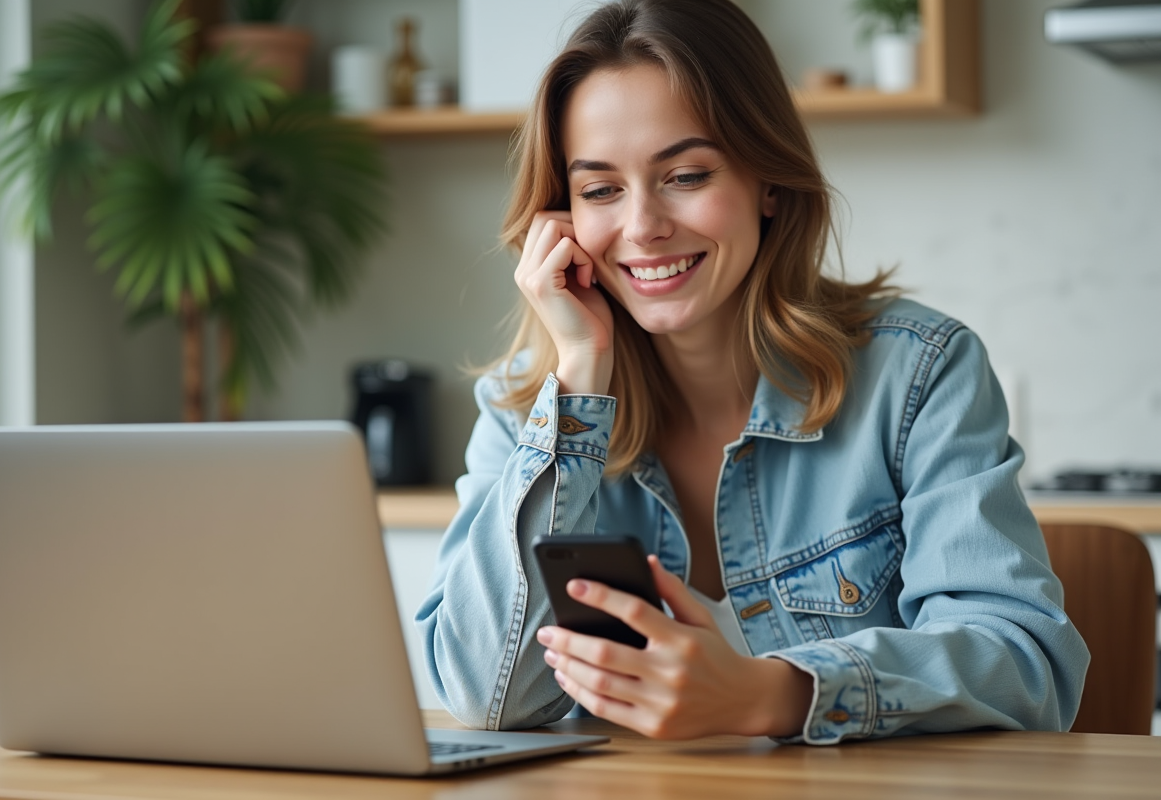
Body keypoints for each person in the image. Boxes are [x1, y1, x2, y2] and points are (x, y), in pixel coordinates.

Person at [416, 0, 1088, 744]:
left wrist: (774, 694)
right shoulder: (529, 410)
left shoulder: (918, 373)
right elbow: (487, 697)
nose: (642, 226)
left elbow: (1027, 668)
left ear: (767, 180)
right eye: (601, 189)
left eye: (687, 174)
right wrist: (577, 384)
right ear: (561, 219)